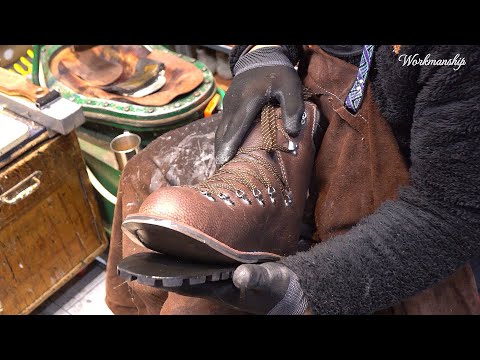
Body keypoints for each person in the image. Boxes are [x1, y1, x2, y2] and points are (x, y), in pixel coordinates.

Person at [105, 45, 480, 315]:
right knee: (145, 170)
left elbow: (449, 209)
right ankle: (265, 181)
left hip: (407, 185)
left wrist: (312, 287)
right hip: (299, 123)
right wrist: (261, 52)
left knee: (198, 309)